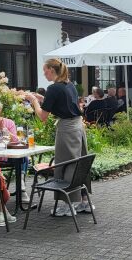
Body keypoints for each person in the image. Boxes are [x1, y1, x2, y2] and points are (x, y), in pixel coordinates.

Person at [24, 58, 91, 217]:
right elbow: (61, 104)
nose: (44, 73)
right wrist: (42, 99)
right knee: (80, 162)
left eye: (45, 70)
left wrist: (34, 101)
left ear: (52, 70)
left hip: (67, 130)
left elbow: (42, 116)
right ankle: (84, 202)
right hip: (78, 127)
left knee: (66, 164)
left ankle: (68, 205)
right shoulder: (69, 84)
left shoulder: (53, 88)